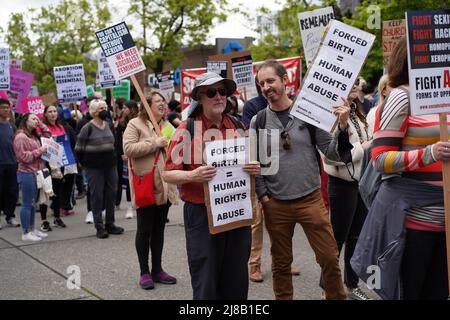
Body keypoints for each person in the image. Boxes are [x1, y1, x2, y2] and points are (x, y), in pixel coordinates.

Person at [352, 38, 449, 300]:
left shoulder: (446, 95)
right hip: (413, 225)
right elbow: (380, 159)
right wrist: (429, 153)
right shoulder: (401, 96)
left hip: (447, 223)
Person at [251, 60, 351, 300]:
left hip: (310, 200)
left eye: (271, 81)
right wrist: (264, 195)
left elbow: (332, 152)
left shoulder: (307, 115)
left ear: (285, 81)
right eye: (262, 83)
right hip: (276, 204)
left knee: (328, 257)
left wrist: (344, 126)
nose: (266, 87)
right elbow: (256, 164)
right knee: (281, 264)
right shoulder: (259, 121)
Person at [163, 72, 260, 300]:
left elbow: (249, 163)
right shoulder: (187, 129)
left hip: (235, 213)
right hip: (202, 214)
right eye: (211, 92)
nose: (218, 97)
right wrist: (193, 175)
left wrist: (253, 167)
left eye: (222, 92)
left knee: (236, 279)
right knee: (206, 279)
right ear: (200, 97)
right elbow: (168, 174)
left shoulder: (237, 125)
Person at [320, 77, 372, 300]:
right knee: (337, 240)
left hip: (360, 182)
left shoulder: (356, 111)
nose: (356, 85)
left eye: (356, 82)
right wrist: (364, 146)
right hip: (341, 185)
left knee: (356, 237)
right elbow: (332, 158)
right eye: (350, 81)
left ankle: (351, 285)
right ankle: (328, 288)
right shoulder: (328, 115)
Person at [123, 91, 179, 290]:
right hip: (145, 184)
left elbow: (177, 150)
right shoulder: (135, 124)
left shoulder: (167, 126)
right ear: (147, 106)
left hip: (164, 186)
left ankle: (158, 269)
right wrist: (154, 143)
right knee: (144, 229)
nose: (162, 105)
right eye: (158, 102)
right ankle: (144, 272)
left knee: (159, 230)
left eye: (163, 102)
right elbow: (128, 149)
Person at [75, 99, 123, 239]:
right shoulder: (87, 128)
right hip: (94, 167)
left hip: (110, 165)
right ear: (94, 112)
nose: (105, 110)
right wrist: (84, 164)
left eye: (106, 107)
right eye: (102, 108)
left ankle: (110, 223)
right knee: (97, 195)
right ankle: (99, 226)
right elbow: (78, 148)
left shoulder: (108, 125)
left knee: (111, 193)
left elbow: (113, 143)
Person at [13, 113, 51, 241]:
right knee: (27, 203)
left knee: (34, 204)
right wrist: (40, 151)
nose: (36, 121)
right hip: (26, 173)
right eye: (34, 119)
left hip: (37, 172)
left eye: (38, 119)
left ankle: (32, 228)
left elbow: (48, 136)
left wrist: (41, 124)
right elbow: (22, 157)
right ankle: (26, 232)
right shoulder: (20, 137)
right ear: (25, 121)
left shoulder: (34, 135)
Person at [41, 105, 77, 230]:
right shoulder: (43, 128)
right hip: (47, 164)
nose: (53, 114)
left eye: (54, 111)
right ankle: (44, 220)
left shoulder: (61, 126)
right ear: (45, 114)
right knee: (46, 191)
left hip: (60, 163)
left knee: (57, 191)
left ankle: (57, 217)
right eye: (50, 111)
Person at [115, 100, 139, 219]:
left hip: (139, 154)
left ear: (132, 108)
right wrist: (122, 154)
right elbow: (118, 141)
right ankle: (130, 206)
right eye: (123, 108)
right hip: (126, 156)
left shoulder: (140, 121)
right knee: (128, 181)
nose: (123, 110)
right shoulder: (121, 123)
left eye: (125, 108)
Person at [0, 97, 20, 228]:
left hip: (12, 163)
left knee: (12, 191)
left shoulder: (12, 126)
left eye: (8, 108)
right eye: (3, 108)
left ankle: (10, 216)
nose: (6, 110)